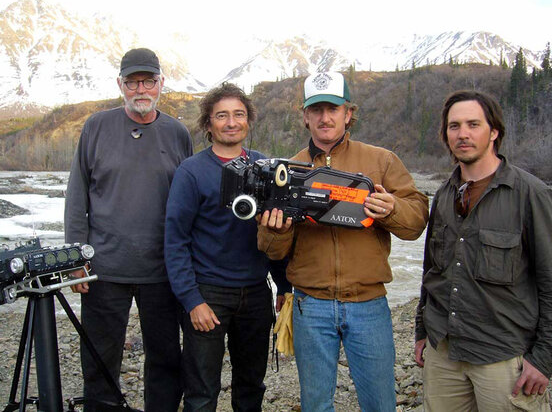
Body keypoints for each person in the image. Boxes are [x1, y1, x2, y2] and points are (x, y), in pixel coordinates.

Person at [257, 71, 429, 411]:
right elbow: (271, 250)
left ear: (348, 113)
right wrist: (276, 229)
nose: (325, 117)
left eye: (333, 108)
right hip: (311, 306)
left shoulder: (381, 161)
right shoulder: (287, 170)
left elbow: (416, 223)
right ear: (305, 117)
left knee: (380, 404)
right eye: (316, 109)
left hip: (369, 305)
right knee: (316, 404)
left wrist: (392, 209)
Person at [64, 48, 193, 411]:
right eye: (133, 81)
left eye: (148, 81)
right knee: (100, 361)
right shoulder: (96, 127)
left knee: (166, 359)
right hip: (104, 269)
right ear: (120, 84)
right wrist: (77, 256)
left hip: (164, 271)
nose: (141, 89)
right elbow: (77, 197)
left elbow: (190, 201)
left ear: (160, 84)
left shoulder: (177, 133)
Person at [414, 90, 552, 410]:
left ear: (494, 132)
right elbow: (431, 270)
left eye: (473, 124)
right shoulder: (445, 195)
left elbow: (549, 279)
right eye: (454, 126)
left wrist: (544, 359)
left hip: (502, 357)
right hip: (443, 351)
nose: (463, 134)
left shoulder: (530, 194)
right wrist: (422, 330)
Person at [164, 83, 290, 411]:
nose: (231, 122)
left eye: (239, 114)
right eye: (222, 115)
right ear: (208, 124)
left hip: (255, 293)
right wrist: (192, 301)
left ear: (249, 121)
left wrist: (283, 285)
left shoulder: (266, 167)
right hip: (209, 294)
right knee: (202, 390)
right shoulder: (191, 172)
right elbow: (175, 240)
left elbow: (275, 233)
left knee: (251, 386)